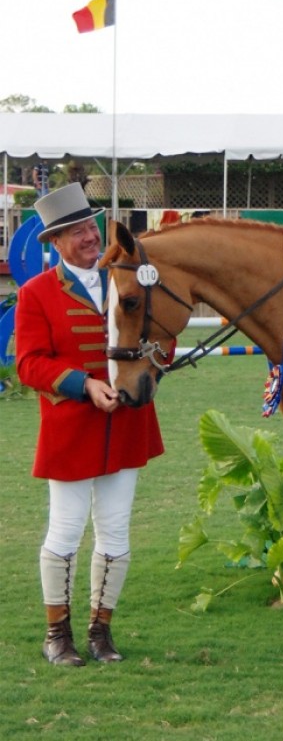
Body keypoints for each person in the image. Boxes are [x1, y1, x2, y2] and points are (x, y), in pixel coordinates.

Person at [15, 183, 165, 666]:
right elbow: (29, 364)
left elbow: (159, 337)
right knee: (64, 530)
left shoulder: (129, 279)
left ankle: (101, 631)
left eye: (89, 226)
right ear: (54, 243)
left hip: (126, 424)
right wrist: (84, 385)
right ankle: (57, 634)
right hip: (72, 425)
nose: (87, 236)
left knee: (116, 532)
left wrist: (155, 363)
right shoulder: (36, 292)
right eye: (74, 231)